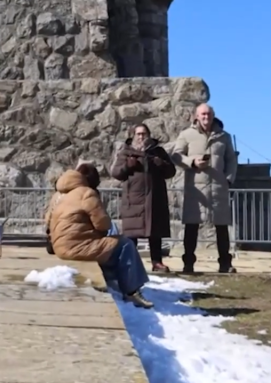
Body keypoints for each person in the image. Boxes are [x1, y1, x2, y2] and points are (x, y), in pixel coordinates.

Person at [46, 163, 153, 309]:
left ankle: (114, 279)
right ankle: (132, 291)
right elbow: (103, 224)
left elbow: (46, 220)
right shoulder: (86, 193)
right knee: (125, 244)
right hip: (76, 247)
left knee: (108, 246)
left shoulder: (58, 195)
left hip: (59, 246)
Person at [170, 103, 239, 274]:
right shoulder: (186, 135)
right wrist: (192, 162)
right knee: (191, 227)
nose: (206, 117)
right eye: (202, 114)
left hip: (218, 187)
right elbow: (176, 155)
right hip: (196, 189)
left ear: (213, 115)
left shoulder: (224, 136)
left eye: (208, 114)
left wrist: (228, 179)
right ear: (196, 116)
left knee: (221, 228)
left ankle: (225, 263)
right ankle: (188, 264)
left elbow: (231, 159)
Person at [109, 123, 177, 272]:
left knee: (155, 232)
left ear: (148, 134)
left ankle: (156, 262)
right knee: (132, 234)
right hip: (133, 199)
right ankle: (132, 263)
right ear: (133, 136)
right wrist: (128, 165)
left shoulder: (158, 151)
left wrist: (162, 164)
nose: (141, 137)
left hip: (155, 198)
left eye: (144, 133)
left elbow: (171, 171)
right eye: (138, 134)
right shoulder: (126, 152)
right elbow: (116, 172)